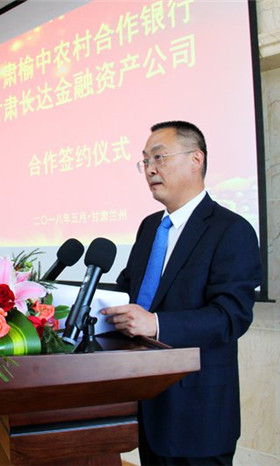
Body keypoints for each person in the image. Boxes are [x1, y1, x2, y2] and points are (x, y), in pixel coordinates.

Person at [102, 121, 261, 465]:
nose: (150, 169)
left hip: (197, 414)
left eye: (159, 157)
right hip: (146, 403)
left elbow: (230, 317)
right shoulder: (150, 227)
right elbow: (129, 290)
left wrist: (156, 324)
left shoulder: (231, 230)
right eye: (145, 161)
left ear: (196, 159)